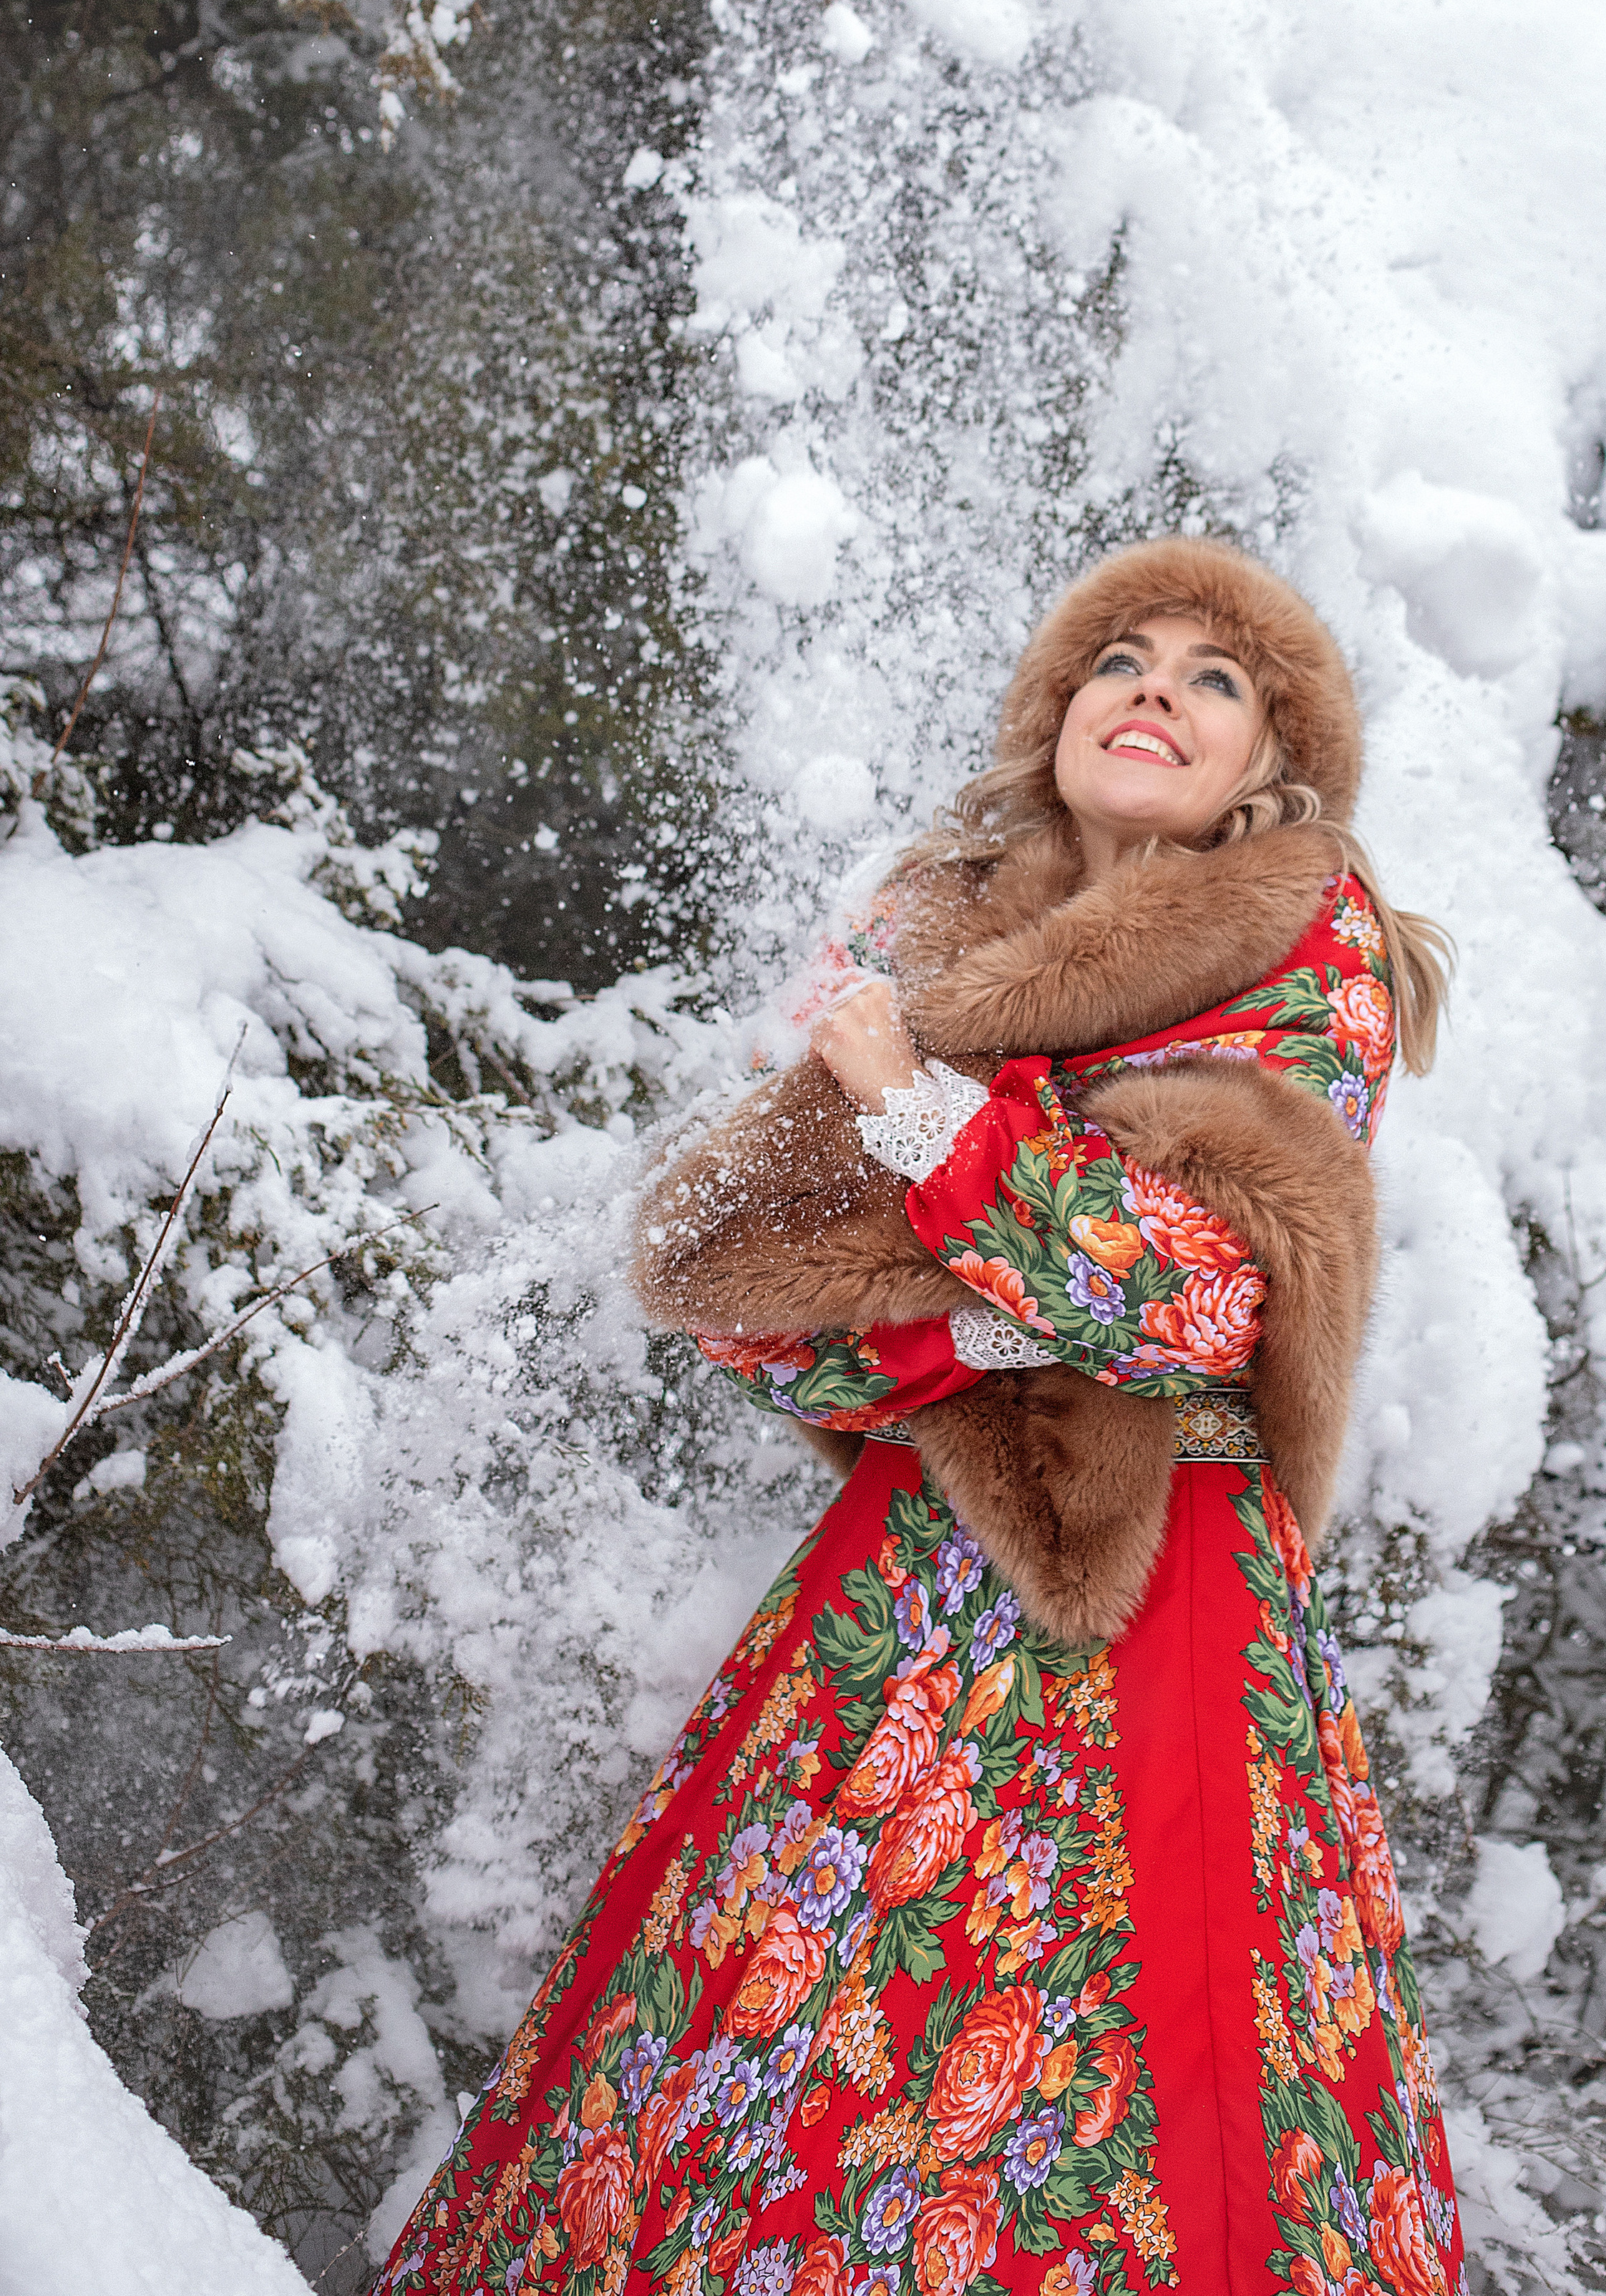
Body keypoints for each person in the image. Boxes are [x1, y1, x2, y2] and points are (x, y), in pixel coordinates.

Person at [379, 537, 1466, 2296]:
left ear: (1269, 763)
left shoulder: (1297, 939)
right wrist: (962, 1319)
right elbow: (746, 1288)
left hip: (1154, 1594)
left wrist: (914, 1123)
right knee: (781, 2066)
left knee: (1143, 2098)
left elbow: (1187, 1293)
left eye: (1214, 677)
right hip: (900, 1587)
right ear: (1055, 710)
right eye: (1119, 656)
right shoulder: (923, 926)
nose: (1153, 692)